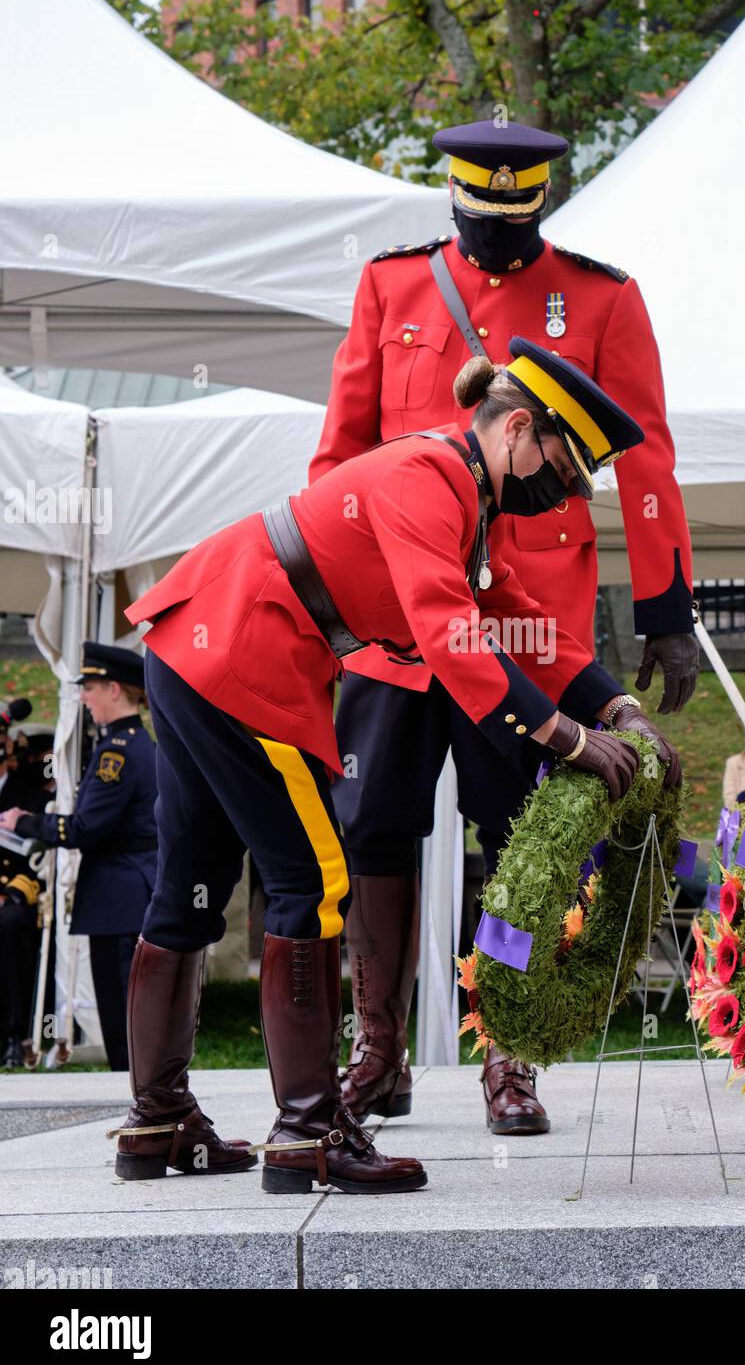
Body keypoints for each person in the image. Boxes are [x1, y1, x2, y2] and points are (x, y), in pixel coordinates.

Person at [117, 339, 679, 1195]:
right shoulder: (433, 479)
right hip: (242, 654)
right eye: (562, 471)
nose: (562, 493)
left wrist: (616, 708)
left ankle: (155, 1122)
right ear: (518, 428)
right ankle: (308, 1135)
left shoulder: (462, 497)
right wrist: (564, 739)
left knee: (189, 880)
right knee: (314, 882)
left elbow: (516, 617)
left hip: (196, 642)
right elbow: (450, 633)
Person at [311, 117, 698, 1135]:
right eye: (475, 221)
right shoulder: (392, 286)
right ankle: (379, 1047)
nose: (490, 243)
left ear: (541, 206)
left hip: (532, 633)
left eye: (509, 223)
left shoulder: (603, 297)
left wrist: (665, 613)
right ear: (453, 201)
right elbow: (339, 459)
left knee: (523, 835)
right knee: (377, 828)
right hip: (400, 627)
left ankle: (509, 1052)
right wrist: (340, 608)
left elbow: (647, 461)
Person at [0, 645, 157, 1071]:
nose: (84, 697)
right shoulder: (135, 744)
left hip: (118, 898)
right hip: (129, 893)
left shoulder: (116, 754)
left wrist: (25, 822)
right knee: (134, 1020)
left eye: (89, 688)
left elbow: (85, 828)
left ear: (112, 689)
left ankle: (143, 1108)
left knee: (124, 1023)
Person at [0, 720, 49, 1069]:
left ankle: (16, 1035)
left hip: (14, 894)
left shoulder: (29, 794)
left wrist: (10, 893)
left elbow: (39, 857)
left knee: (11, 923)